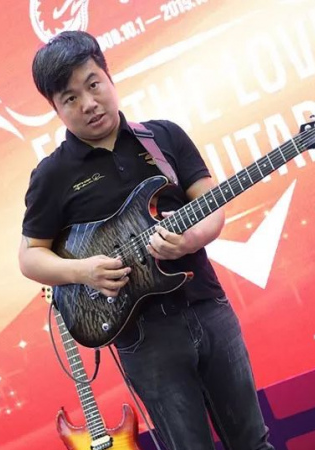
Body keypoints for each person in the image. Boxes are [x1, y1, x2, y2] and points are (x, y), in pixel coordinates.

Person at [18, 30, 274, 450]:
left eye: (93, 84)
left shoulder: (164, 137)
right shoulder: (52, 175)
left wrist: (192, 239)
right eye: (70, 98)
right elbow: (30, 257)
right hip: (142, 335)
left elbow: (212, 205)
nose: (89, 103)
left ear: (109, 77)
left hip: (207, 304)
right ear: (55, 108)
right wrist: (84, 271)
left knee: (253, 442)